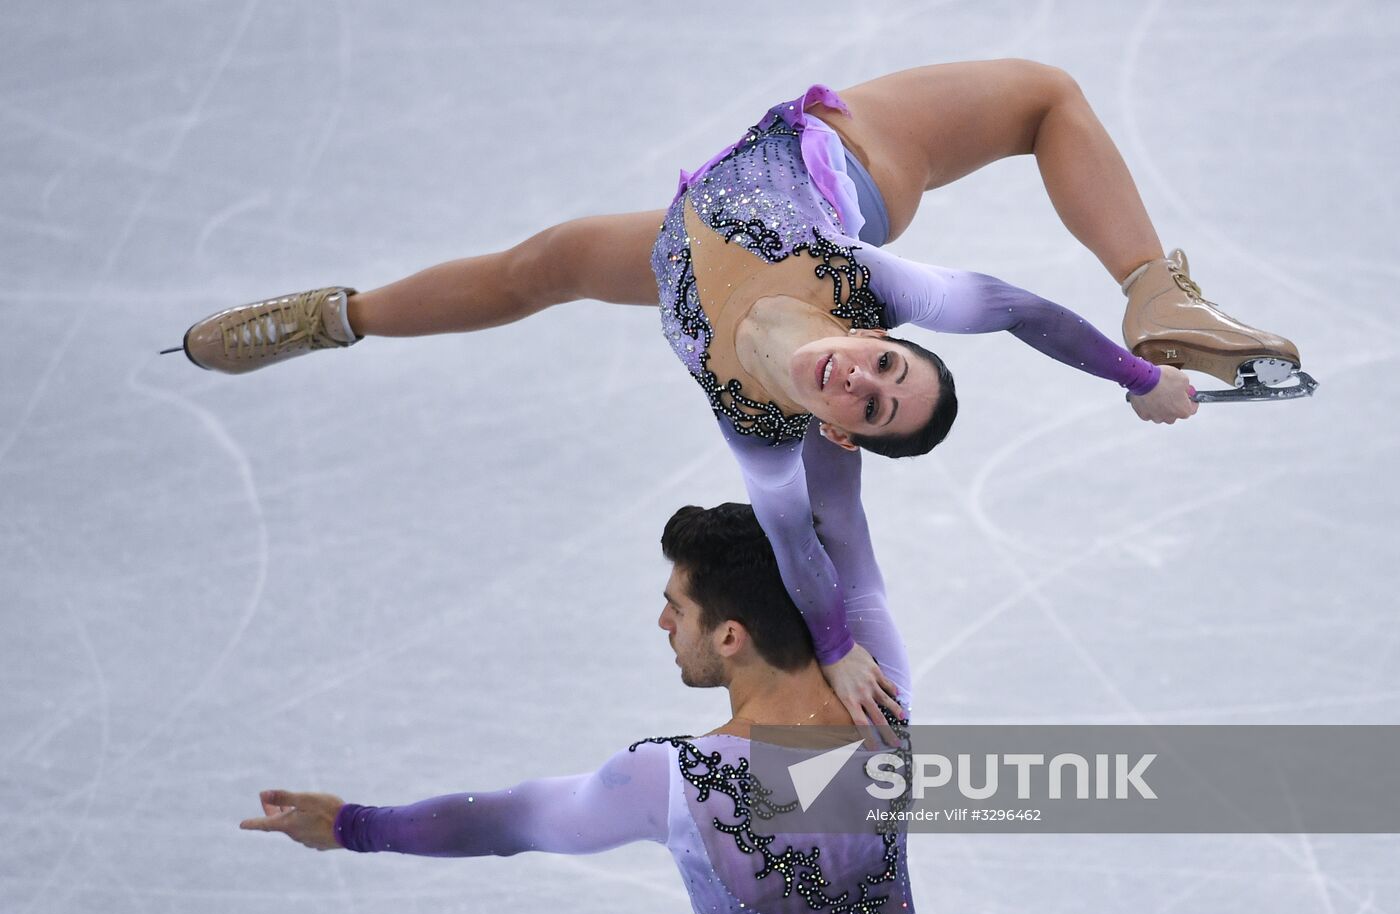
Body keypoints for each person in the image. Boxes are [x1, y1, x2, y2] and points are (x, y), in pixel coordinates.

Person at [176, 60, 1308, 736]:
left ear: (834, 428)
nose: (862, 378)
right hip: (846, 169)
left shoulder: (758, 431)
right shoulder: (865, 276)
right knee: (1040, 98)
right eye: (889, 366)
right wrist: (1137, 371)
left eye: (869, 406)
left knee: (546, 268)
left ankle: (339, 315)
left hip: (680, 243)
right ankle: (1154, 294)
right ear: (877, 335)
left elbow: (835, 549)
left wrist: (856, 675)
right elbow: (1011, 308)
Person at [241, 488, 920, 914]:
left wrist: (352, 824)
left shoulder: (677, 780)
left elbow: (512, 818)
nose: (662, 622)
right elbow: (844, 521)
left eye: (677, 608)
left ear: (730, 636)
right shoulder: (882, 702)